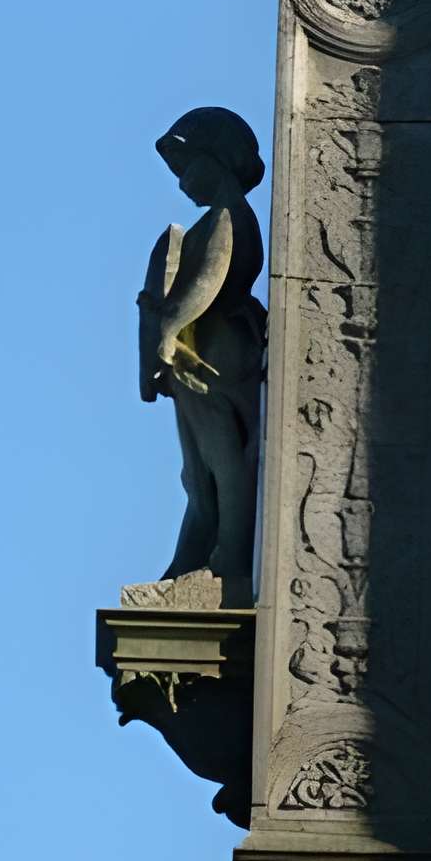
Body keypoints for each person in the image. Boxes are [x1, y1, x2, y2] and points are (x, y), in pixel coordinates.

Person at [140, 106, 267, 594]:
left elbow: (208, 280)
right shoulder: (223, 215)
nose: (180, 184)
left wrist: (167, 331)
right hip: (205, 344)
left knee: (221, 462)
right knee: (199, 471)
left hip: (211, 346)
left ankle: (229, 562)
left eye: (185, 167)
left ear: (215, 158)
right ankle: (191, 562)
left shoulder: (226, 216)